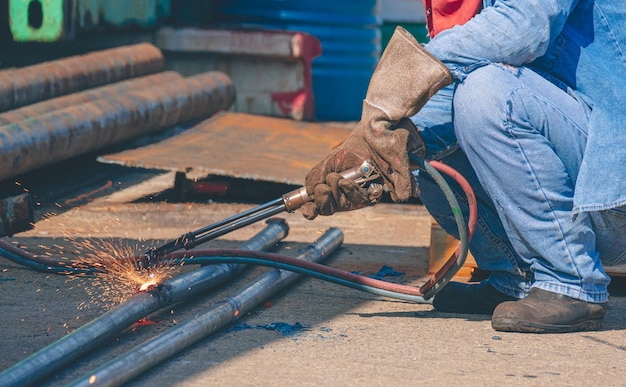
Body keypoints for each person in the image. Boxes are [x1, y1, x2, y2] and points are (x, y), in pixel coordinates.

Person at [300, 0, 626, 333]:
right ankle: (517, 278)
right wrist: (369, 154)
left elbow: (525, 25)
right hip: (585, 168)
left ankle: (569, 281)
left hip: (612, 183)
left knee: (487, 94)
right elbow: (450, 87)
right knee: (424, 146)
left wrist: (404, 77)